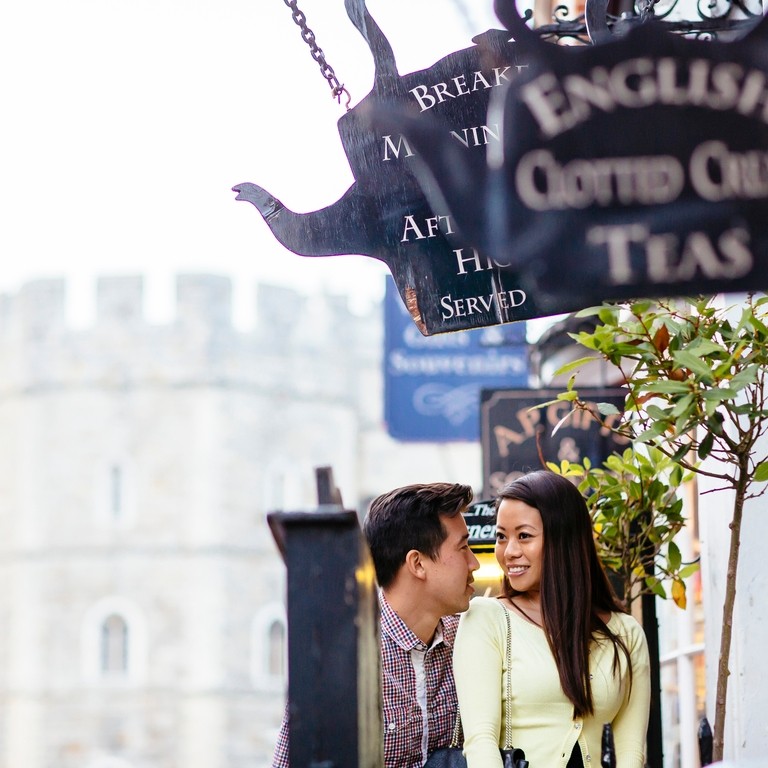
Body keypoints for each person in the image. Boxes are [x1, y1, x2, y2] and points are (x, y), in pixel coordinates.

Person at [271, 482, 480, 768]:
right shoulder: (343, 660)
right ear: (417, 564)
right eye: (463, 547)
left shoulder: (470, 640)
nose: (474, 563)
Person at [453, 470, 651, 768]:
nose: (509, 552)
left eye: (524, 536)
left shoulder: (626, 633)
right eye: (502, 537)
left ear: (564, 538)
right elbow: (480, 741)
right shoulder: (487, 618)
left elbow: (631, 752)